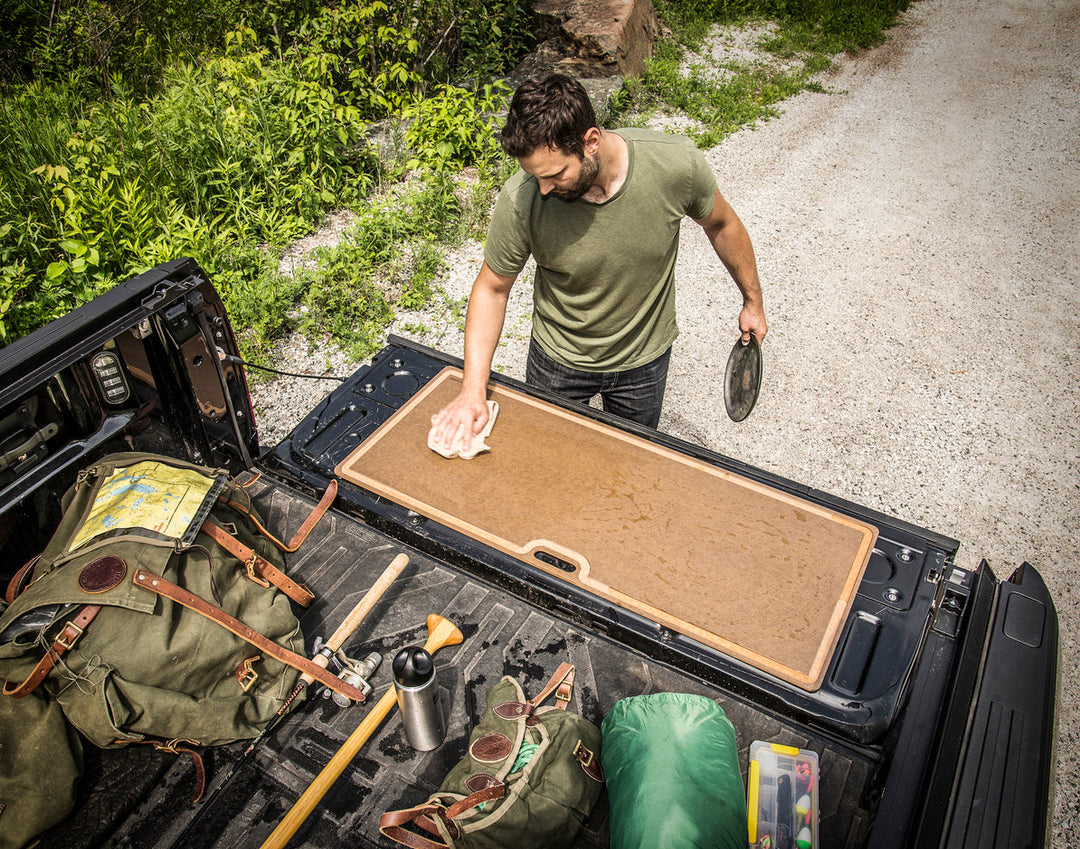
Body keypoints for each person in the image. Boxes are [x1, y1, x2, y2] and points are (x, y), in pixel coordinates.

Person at [430, 72, 767, 453]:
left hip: (643, 361)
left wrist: (752, 302)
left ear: (590, 142)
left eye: (556, 173)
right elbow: (492, 289)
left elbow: (722, 224)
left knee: (626, 466)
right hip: (557, 361)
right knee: (547, 463)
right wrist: (472, 390)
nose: (543, 188)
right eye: (535, 176)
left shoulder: (675, 166)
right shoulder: (521, 199)